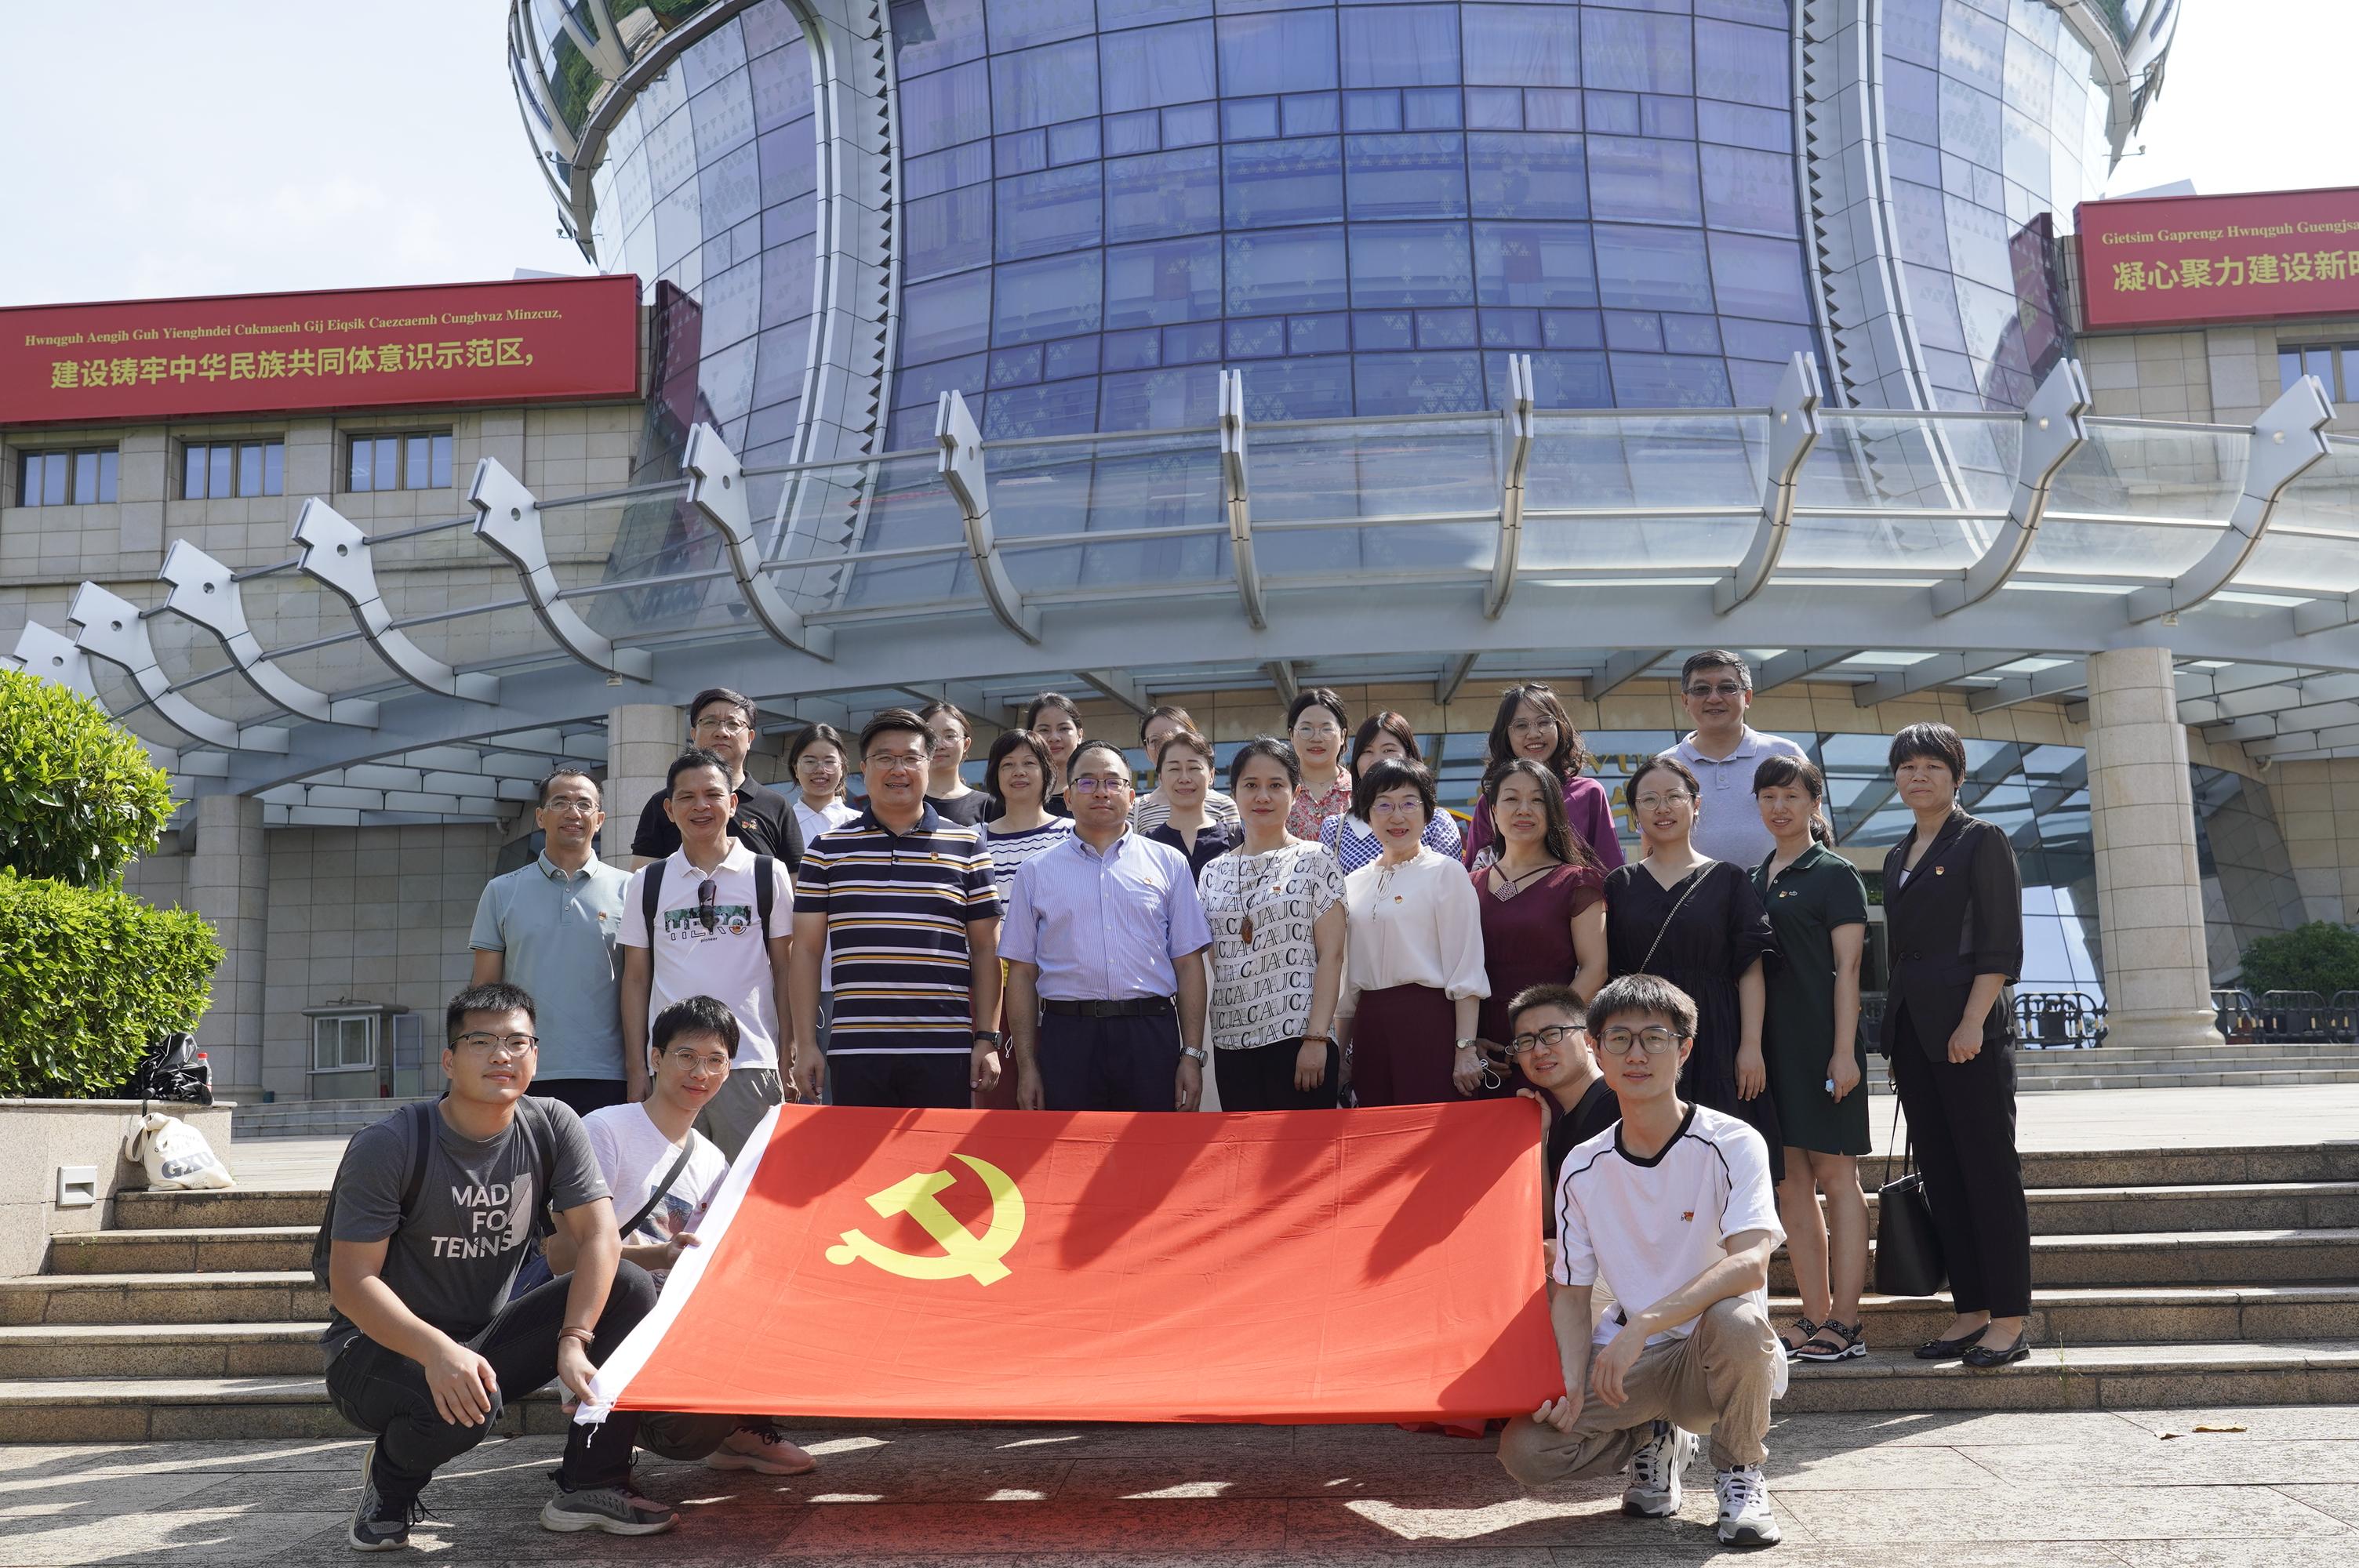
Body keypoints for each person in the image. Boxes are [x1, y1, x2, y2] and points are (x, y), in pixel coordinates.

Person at [322, 982, 678, 1546]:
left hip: (485, 1336)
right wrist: (436, 1352)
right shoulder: (390, 1143)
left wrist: (574, 1339)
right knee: (464, 1398)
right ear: (449, 1060)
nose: (501, 1055)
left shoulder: (551, 1125)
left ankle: (591, 1481)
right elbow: (351, 1282)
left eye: (517, 1042)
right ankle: (390, 1482)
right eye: (481, 1042)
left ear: (535, 1055)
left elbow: (599, 1238)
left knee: (630, 1286)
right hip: (375, 1349)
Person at [1498, 974, 1787, 1550]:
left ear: (1684, 1050)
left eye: (1654, 1038)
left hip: (1709, 1353)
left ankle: (1741, 1473)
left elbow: (1751, 1264)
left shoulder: (1733, 1142)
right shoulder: (1583, 1165)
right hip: (1630, 1363)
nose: (1636, 1055)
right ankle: (1655, 1438)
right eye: (1619, 1039)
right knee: (1527, 1451)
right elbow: (1573, 1292)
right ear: (1596, 1049)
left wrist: (1647, 1323)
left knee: (1737, 1319)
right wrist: (1571, 1383)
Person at [547, 995, 818, 1479]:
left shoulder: (714, 1162)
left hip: (674, 1335)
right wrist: (659, 1254)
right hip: (605, 1330)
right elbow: (562, 1255)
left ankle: (739, 1431)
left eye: (716, 1060)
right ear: (656, 1058)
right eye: (686, 1056)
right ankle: (595, 1472)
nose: (701, 1072)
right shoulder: (604, 1130)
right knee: (635, 1286)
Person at [1881, 721, 2031, 1370]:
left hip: (1971, 1033)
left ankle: (2010, 1320)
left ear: (1958, 776)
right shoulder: (1897, 854)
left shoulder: (1982, 840)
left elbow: (1999, 944)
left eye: (1932, 767)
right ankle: (1970, 1312)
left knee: (1988, 1174)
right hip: (1914, 1035)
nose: (1918, 776)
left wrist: (1971, 1022)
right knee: (1942, 1174)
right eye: (1907, 767)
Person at [789, 710, 1004, 1109]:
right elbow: (804, 951)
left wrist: (987, 1039)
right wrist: (805, 1044)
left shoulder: (968, 846)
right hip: (855, 1048)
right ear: (864, 768)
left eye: (911, 758)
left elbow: (986, 949)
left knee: (940, 1152)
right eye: (885, 758)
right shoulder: (826, 850)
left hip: (946, 1049)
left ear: (929, 763)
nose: (898, 769)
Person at [1004, 738, 1213, 1112]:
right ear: (1068, 797)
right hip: (1068, 1038)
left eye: (1113, 782)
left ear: (1131, 797)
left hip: (1150, 1034)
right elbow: (1021, 973)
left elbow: (1188, 964)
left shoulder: (1169, 863)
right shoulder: (1035, 872)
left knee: (1150, 1145)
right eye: (1087, 782)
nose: (1101, 791)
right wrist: (1027, 1065)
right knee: (1070, 1147)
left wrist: (1192, 1054)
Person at [1604, 755, 1783, 1179]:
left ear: (1696, 804)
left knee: (1720, 1163)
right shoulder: (1619, 884)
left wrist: (1751, 1046)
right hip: (1642, 1039)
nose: (1662, 808)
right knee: (1648, 1163)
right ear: (1635, 813)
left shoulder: (1728, 879)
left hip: (1716, 1033)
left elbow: (1750, 970)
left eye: (1673, 797)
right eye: (1649, 800)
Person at [1750, 756, 1873, 1364]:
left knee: (1837, 1179)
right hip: (1769, 1053)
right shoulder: (1752, 879)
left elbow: (1849, 969)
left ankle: (1847, 1322)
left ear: (1814, 804)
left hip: (1825, 1047)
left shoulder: (1835, 874)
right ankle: (1815, 1315)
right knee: (1790, 1184)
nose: (1780, 807)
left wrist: (1844, 1052)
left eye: (1792, 796)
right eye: (1769, 797)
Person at [617, 750, 794, 1161]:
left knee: (748, 1187)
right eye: (687, 797)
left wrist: (790, 1051)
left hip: (749, 1063)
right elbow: (636, 979)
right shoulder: (647, 881)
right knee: (674, 1189)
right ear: (669, 809)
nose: (701, 806)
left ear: (732, 803)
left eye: (712, 794)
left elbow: (786, 970)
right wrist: (637, 1067)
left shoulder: (768, 873)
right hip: (672, 1067)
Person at [468, 769, 634, 1113]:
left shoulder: (631, 889)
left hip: (609, 1073)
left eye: (584, 804)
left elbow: (639, 985)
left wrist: (639, 1069)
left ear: (600, 820)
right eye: (560, 802)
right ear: (540, 817)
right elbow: (483, 990)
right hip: (520, 1070)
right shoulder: (501, 891)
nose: (573, 812)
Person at [1194, 738, 1347, 1110]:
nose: (1263, 796)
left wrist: (1316, 1038)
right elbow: (1216, 959)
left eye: (1276, 785)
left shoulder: (1316, 859)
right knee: (1244, 1147)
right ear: (1233, 793)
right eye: (1251, 785)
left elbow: (1332, 955)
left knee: (1303, 1147)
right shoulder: (1212, 873)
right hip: (1231, 1041)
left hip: (1299, 1039)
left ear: (1295, 793)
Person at [1334, 757, 1488, 1107]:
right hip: (1370, 1029)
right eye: (1383, 805)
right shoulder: (1353, 883)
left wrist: (1465, 1048)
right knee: (1377, 1131)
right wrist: (1339, 1058)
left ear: (1427, 811)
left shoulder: (1446, 872)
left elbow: (1466, 968)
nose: (1397, 816)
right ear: (1367, 814)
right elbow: (1347, 986)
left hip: (1428, 1023)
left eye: (1408, 803)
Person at [1473, 760, 1608, 1091]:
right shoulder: (1467, 884)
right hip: (1483, 1053)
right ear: (1493, 811)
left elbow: (1595, 969)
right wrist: (1467, 1040)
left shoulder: (1578, 881)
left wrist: (1543, 1034)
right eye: (1511, 799)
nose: (1524, 809)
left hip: (1550, 1048)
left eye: (1537, 800)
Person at [628, 688, 805, 873]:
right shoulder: (665, 803)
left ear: (750, 738)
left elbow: (794, 880)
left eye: (734, 724)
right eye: (710, 722)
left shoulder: (776, 806)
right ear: (693, 734)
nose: (722, 732)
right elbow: (642, 876)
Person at [1460, 684, 1625, 872]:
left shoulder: (1589, 793)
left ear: (1560, 726)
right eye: (1521, 725)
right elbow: (1475, 875)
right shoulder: (1492, 800)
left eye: (1544, 722)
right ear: (1505, 735)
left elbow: (1611, 870)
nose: (1534, 734)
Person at [1670, 651, 1809, 869]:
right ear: (1685, 701)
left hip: (1780, 889)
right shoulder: (1665, 766)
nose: (1714, 698)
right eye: (1701, 689)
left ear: (1748, 697)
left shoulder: (1785, 753)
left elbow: (1814, 827)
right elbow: (1652, 843)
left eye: (1727, 688)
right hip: (1690, 890)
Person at [1503, 983, 1618, 1244]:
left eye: (1552, 1034)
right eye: (1526, 1041)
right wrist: (1539, 1137)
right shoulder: (1559, 1122)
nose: (1539, 1051)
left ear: (1589, 1039)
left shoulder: (1622, 1104)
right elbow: (1547, 1220)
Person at [1318, 710, 1463, 873]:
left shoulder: (1437, 823)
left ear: (1409, 755)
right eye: (1367, 751)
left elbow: (1449, 880)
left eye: (1388, 750)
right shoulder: (1335, 828)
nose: (1377, 760)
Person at [980, 728, 1074, 899]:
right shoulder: (976, 839)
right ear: (995, 775)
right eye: (1008, 764)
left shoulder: (1071, 834)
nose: (1019, 772)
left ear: (1046, 771)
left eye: (1029, 763)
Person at [1143, 727, 1241, 877]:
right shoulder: (1147, 846)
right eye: (1174, 769)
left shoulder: (1237, 839)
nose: (1184, 778)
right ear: (1161, 778)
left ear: (1211, 775)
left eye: (1194, 768)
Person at [1132, 703, 1240, 834]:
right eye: (1155, 740)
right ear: (1146, 751)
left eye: (1175, 735)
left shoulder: (1223, 805)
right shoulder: (1135, 810)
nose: (1165, 744)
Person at [1284, 688, 1354, 840]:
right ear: (1291, 735)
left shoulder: (1359, 791)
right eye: (1306, 729)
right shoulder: (1280, 789)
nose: (1316, 738)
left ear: (1343, 736)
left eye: (1327, 729)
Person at [786, 723, 861, 848]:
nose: (820, 769)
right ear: (795, 770)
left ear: (842, 768)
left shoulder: (862, 824)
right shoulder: (781, 826)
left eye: (829, 761)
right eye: (810, 761)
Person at [919, 700, 993, 827]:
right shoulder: (904, 802)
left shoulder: (988, 805)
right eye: (931, 737)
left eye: (950, 736)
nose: (939, 745)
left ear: (966, 744)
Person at [1023, 691, 1085, 816]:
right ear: (1030, 736)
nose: (1054, 738)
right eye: (1044, 730)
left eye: (1064, 728)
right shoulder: (1019, 790)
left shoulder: (1093, 788)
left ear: (1079, 735)